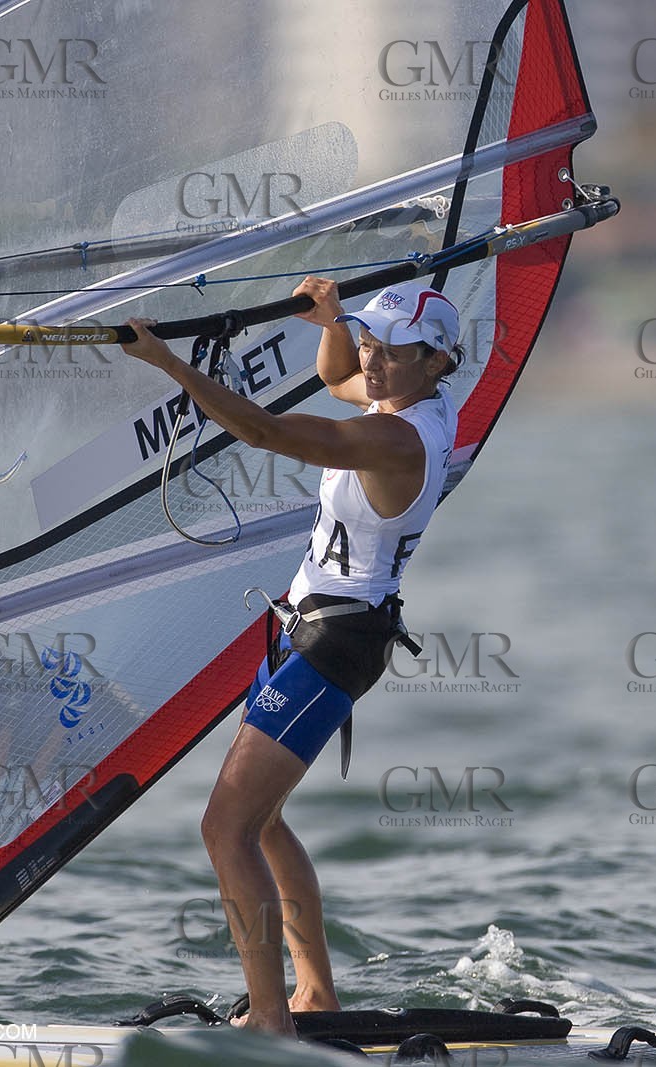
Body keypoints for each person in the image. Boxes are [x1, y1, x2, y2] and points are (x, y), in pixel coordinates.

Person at [119, 275, 461, 1038]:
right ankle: (313, 995)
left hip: (333, 643)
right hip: (314, 629)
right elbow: (340, 378)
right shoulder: (409, 399)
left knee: (225, 827)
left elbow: (266, 433)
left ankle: (270, 1019)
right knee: (265, 822)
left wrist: (171, 365)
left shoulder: (397, 439)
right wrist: (334, 322)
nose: (373, 363)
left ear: (438, 361)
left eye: (393, 353)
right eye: (373, 342)